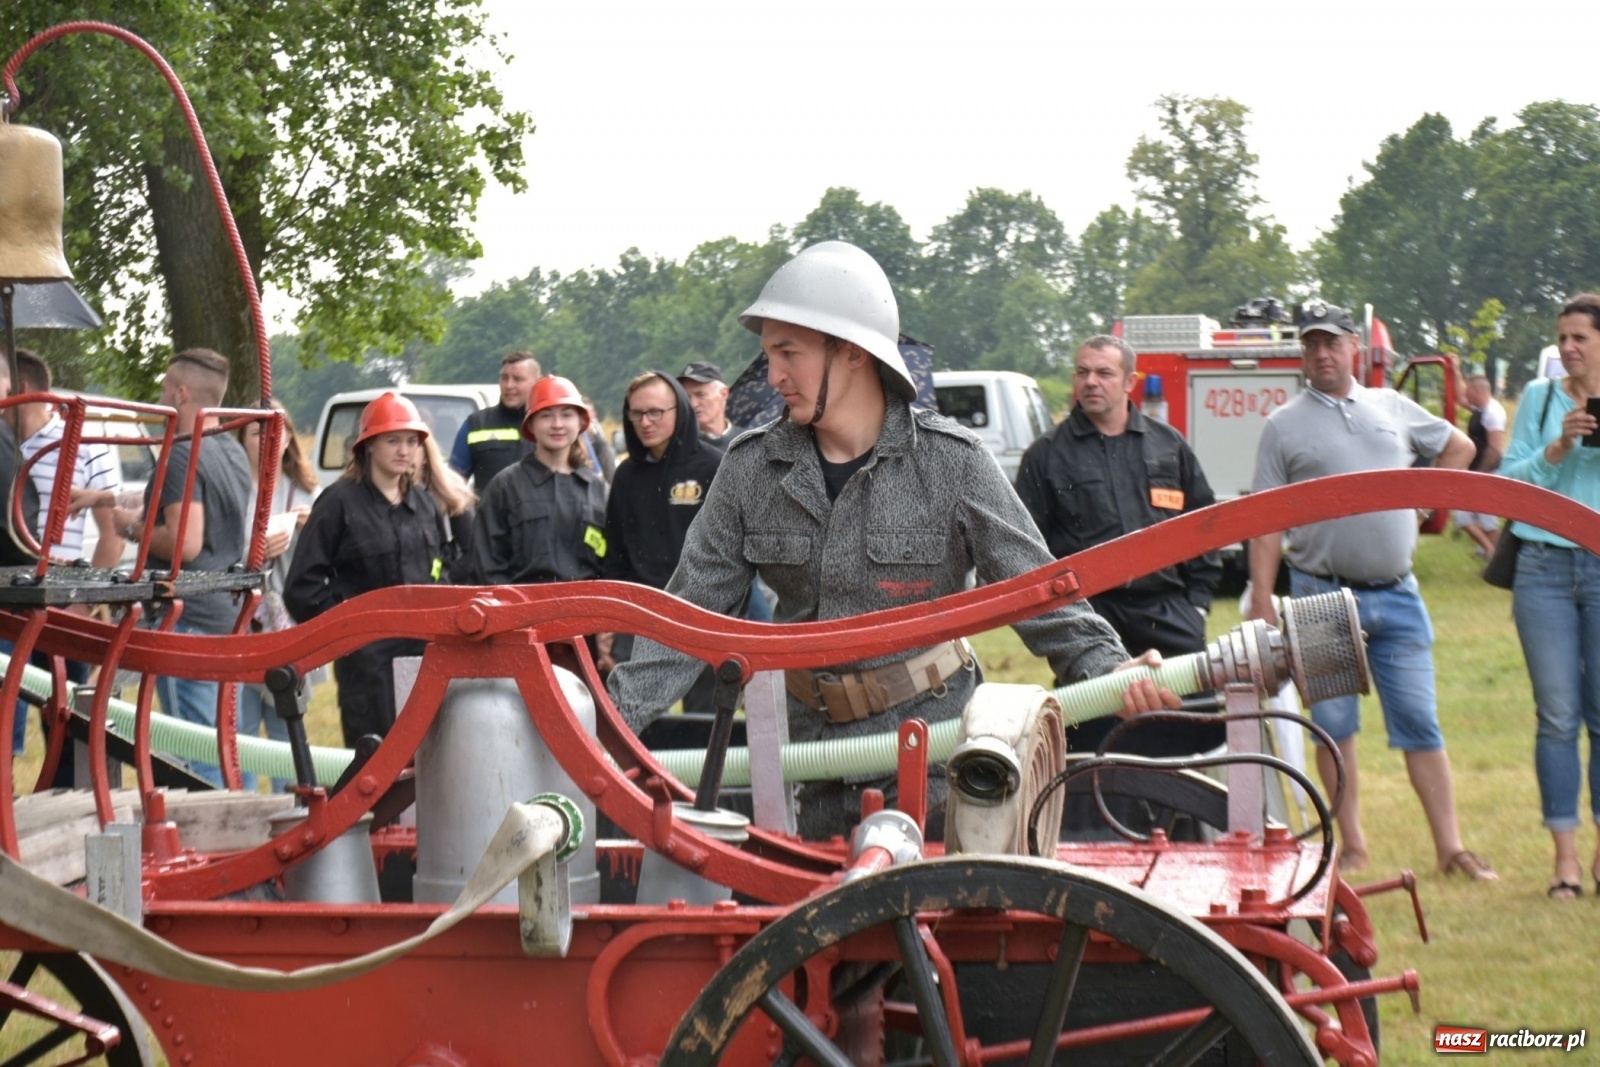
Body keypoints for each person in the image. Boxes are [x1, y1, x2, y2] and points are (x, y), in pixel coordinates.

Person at [608, 241, 1176, 840]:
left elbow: (1038, 592)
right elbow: (687, 617)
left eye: (788, 352)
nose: (773, 375)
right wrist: (603, 722)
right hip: (808, 765)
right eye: (769, 353)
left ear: (851, 352)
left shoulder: (952, 463)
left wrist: (1111, 670)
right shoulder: (751, 468)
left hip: (934, 760)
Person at [1248, 300, 1493, 880]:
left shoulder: (1392, 406)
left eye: (1332, 342)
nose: (1322, 353)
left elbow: (1459, 447)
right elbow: (1263, 520)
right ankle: (1350, 847)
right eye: (1311, 344)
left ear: (1355, 347)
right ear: (1302, 354)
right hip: (1320, 597)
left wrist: (1433, 498)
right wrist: (1262, 596)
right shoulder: (1281, 425)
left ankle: (1451, 849)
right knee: (1334, 729)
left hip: (1399, 595)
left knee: (1421, 725)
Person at [1016, 334, 1222, 759]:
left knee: (1190, 736)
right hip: (1091, 619)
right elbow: (1026, 551)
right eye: (1082, 372)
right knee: (1091, 748)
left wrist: (1197, 604)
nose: (1090, 381)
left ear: (1129, 381)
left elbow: (1206, 527)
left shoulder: (1169, 445)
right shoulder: (1046, 455)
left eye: (1103, 373)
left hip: (1169, 616)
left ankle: (1186, 816)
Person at [110, 349, 252, 787]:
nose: (161, 394)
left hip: (185, 621)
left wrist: (130, 527)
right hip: (228, 621)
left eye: (165, 387)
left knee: (196, 760)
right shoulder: (231, 451)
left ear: (182, 393)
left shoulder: (179, 455)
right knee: (231, 749)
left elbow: (185, 544)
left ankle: (207, 851)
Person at [1501, 293, 1600, 900]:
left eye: (1580, 338)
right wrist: (1557, 447)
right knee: (1557, 716)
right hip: (1540, 567)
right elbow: (1505, 485)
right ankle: (1565, 860)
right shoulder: (1538, 401)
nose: (1567, 348)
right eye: (1561, 337)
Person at [285, 392, 446, 746]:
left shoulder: (424, 505)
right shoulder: (338, 503)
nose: (404, 450)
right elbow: (302, 588)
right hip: (367, 674)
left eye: (411, 441)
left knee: (431, 769)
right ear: (368, 445)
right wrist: (351, 634)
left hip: (427, 663)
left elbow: (442, 572)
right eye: (392, 440)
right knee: (374, 772)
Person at [599, 370, 723, 680]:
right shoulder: (626, 475)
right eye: (637, 413)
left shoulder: (714, 466)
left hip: (703, 616)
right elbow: (614, 555)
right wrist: (607, 623)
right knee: (629, 717)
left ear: (679, 411)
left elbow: (734, 551)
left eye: (655, 412)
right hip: (637, 614)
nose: (645, 422)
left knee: (704, 724)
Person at [236, 400, 319, 791]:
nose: (270, 439)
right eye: (257, 431)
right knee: (241, 729)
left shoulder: (308, 492)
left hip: (290, 623)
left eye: (278, 429)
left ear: (289, 437)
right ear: (242, 438)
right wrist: (253, 552)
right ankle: (246, 808)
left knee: (288, 724)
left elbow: (326, 562)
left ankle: (294, 810)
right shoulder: (233, 488)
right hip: (240, 622)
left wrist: (311, 529)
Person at [469, 375, 608, 585]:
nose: (557, 424)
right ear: (531, 425)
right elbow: (487, 565)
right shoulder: (505, 487)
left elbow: (612, 564)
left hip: (586, 611)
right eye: (546, 416)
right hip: (521, 612)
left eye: (567, 415)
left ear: (580, 423)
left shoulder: (598, 490)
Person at [13, 349, 123, 567]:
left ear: (20, 389)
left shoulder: (85, 444)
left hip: (53, 596)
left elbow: (115, 535)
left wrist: (85, 600)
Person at [447, 351, 540, 489]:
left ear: (537, 382)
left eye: (518, 379)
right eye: (504, 378)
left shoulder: (551, 426)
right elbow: (452, 485)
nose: (509, 385)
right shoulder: (476, 424)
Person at [1455, 373, 1508, 557]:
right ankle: (1491, 552)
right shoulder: (1481, 409)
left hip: (1489, 474)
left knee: (1487, 522)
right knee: (1464, 517)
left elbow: (1495, 449)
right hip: (1478, 473)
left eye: (1468, 391)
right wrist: (1455, 370)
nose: (1465, 395)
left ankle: (1494, 556)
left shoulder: (1493, 413)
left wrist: (1480, 476)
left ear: (1477, 391)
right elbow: (1459, 399)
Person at [418, 433, 475, 583]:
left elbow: (472, 553)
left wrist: (442, 581)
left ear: (425, 454)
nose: (404, 451)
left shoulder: (450, 491)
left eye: (412, 443)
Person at [678, 361, 743, 452]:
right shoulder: (681, 448)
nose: (693, 404)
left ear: (724, 394)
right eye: (687, 397)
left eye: (700, 395)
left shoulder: (750, 441)